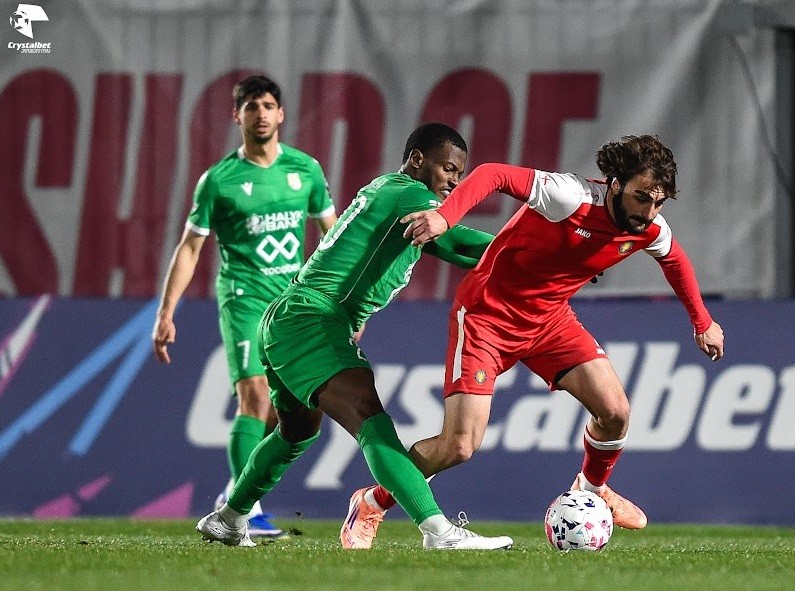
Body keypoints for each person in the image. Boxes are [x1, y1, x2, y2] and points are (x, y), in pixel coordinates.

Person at [341, 134, 725, 549]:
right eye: (641, 198)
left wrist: (702, 321)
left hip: (549, 321)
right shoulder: (569, 196)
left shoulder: (648, 228)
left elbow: (675, 260)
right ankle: (371, 502)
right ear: (615, 184)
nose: (648, 212)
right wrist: (445, 217)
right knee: (459, 446)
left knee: (615, 412)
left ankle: (591, 491)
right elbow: (493, 174)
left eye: (659, 203)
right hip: (487, 317)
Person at [195, 122, 513, 550]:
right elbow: (463, 242)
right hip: (311, 319)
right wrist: (541, 253)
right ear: (417, 160)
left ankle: (229, 518)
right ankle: (438, 530)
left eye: (459, 173)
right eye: (448, 169)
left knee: (296, 432)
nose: (454, 182)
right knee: (370, 419)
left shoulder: (390, 191)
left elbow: (451, 249)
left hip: (293, 317)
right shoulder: (411, 196)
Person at [152, 75, 337, 539]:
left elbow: (333, 238)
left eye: (268, 105)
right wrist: (166, 312)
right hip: (244, 298)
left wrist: (339, 302)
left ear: (281, 114)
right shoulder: (219, 181)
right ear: (237, 116)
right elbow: (190, 248)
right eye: (251, 106)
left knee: (284, 411)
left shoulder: (305, 170)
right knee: (253, 395)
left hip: (291, 303)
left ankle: (232, 495)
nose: (261, 114)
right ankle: (245, 508)